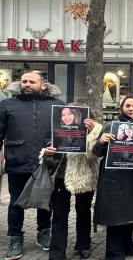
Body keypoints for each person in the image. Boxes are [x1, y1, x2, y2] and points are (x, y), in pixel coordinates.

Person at [0, 71, 65, 259]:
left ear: (43, 85)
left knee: (45, 200)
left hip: (45, 162)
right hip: (17, 161)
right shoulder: (7, 105)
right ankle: (15, 239)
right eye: (24, 81)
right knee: (15, 202)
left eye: (32, 81)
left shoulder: (57, 105)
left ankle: (43, 232)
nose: (27, 84)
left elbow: (64, 132)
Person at [43, 104, 102, 260]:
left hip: (84, 176)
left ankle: (83, 245)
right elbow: (47, 155)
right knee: (59, 215)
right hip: (60, 177)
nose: (66, 117)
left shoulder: (96, 130)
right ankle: (57, 253)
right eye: (63, 114)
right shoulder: (57, 129)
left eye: (71, 114)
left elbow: (94, 154)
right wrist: (48, 153)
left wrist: (91, 132)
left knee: (83, 212)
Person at [93, 94, 133, 260]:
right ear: (122, 107)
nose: (131, 109)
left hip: (132, 177)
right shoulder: (110, 125)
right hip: (113, 177)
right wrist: (101, 141)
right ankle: (114, 252)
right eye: (128, 106)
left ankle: (127, 244)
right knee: (114, 215)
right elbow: (96, 152)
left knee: (128, 213)